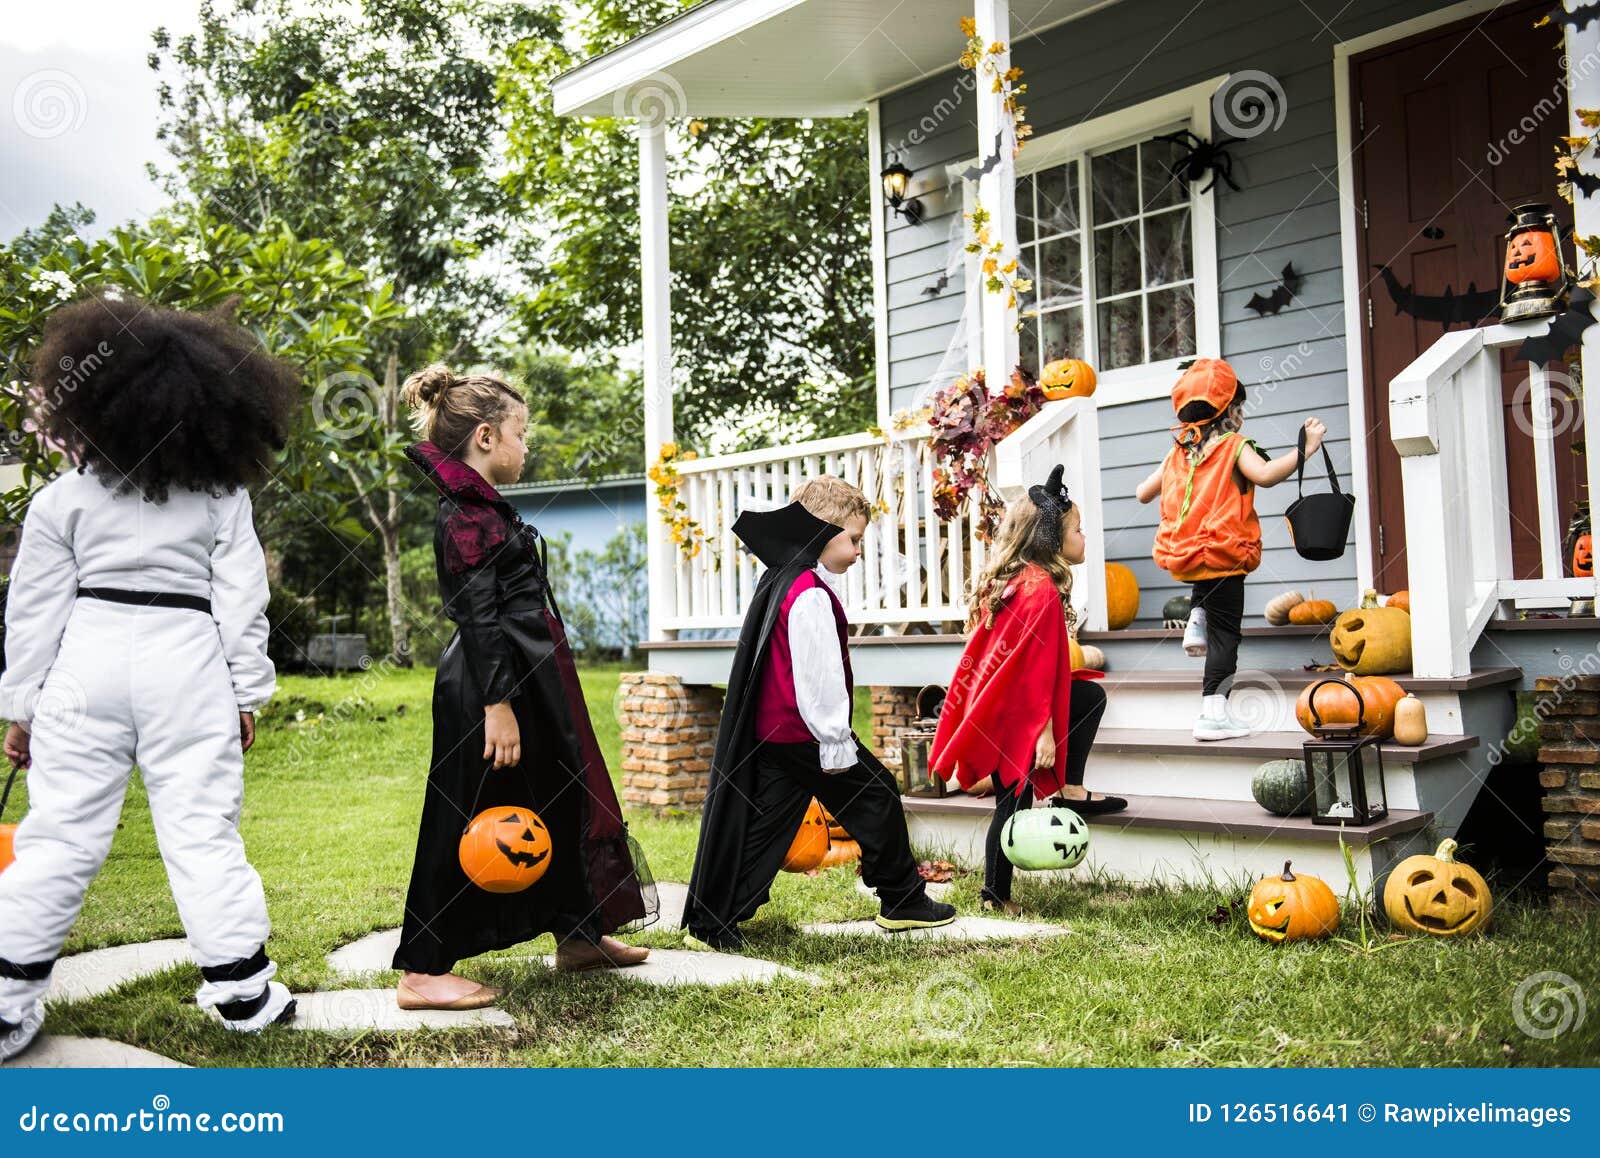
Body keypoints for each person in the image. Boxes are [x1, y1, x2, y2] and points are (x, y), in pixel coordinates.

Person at [0, 295, 301, 1061]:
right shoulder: (222, 497)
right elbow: (242, 603)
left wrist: (23, 710)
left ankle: (5, 1002)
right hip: (187, 660)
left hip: (84, 661)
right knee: (202, 829)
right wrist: (245, 693)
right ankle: (242, 992)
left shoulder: (60, 500)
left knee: (59, 835)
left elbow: (32, 615)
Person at [393, 364, 653, 1010]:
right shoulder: (464, 516)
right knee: (461, 813)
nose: (526, 445)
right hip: (491, 685)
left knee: (558, 799)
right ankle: (422, 970)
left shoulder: (484, 507)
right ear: (485, 436)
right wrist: (498, 705)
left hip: (530, 678)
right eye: (520, 432)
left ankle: (578, 933)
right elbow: (477, 616)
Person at [681, 476, 957, 949]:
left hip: (778, 734)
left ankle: (713, 920)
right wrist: (835, 742)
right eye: (853, 539)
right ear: (822, 532)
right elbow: (817, 678)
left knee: (767, 826)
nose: (858, 551)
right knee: (879, 795)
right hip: (807, 734)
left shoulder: (786, 578)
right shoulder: (807, 591)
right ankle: (903, 900)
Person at [929, 465, 1124, 914]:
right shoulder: (1039, 591)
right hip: (1016, 715)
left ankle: (1071, 789)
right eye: (1078, 529)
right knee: (1012, 800)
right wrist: (1042, 734)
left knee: (1089, 697)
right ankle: (995, 895)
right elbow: (1032, 671)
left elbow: (1028, 664)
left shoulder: (1024, 580)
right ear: (1052, 538)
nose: (1084, 537)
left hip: (1009, 703)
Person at [1134, 358, 1326, 740]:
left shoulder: (1179, 452)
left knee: (1208, 592)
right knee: (1226, 637)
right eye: (1239, 407)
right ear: (1231, 412)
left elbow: (1142, 493)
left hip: (1186, 558)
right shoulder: (1234, 447)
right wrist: (1305, 450)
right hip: (1223, 557)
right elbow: (1267, 475)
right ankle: (1213, 713)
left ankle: (1196, 616)